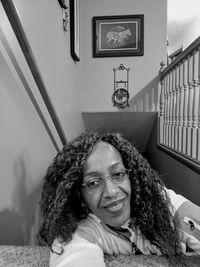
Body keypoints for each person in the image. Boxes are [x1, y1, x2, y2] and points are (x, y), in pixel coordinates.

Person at [38, 132, 200, 267]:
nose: (112, 191)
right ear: (78, 193)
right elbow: (72, 254)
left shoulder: (159, 202)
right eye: (93, 183)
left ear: (131, 176)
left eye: (118, 174)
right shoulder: (80, 231)